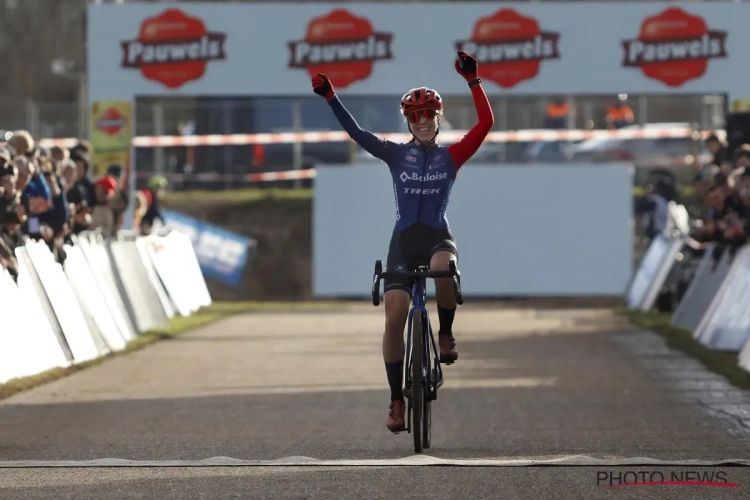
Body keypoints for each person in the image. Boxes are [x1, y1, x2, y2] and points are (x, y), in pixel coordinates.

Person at [311, 50, 494, 433]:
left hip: (437, 238)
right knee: (393, 317)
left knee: (444, 270)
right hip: (403, 241)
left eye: (428, 115)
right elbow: (357, 134)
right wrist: (331, 97)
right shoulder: (396, 155)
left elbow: (486, 123)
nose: (422, 121)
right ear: (408, 122)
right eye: (415, 116)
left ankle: (444, 334)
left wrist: (473, 80)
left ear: (438, 119)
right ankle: (397, 399)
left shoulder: (452, 156)